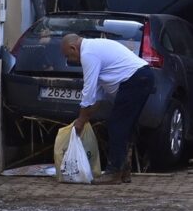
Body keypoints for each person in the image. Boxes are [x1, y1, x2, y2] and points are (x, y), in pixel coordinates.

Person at [61, 33, 154, 184]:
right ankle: (124, 170)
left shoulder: (88, 54)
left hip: (134, 80)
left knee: (116, 126)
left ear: (73, 48)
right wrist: (86, 117)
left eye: (68, 55)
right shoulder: (94, 48)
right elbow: (97, 95)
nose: (69, 60)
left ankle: (114, 172)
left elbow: (89, 90)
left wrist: (81, 120)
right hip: (142, 77)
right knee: (126, 126)